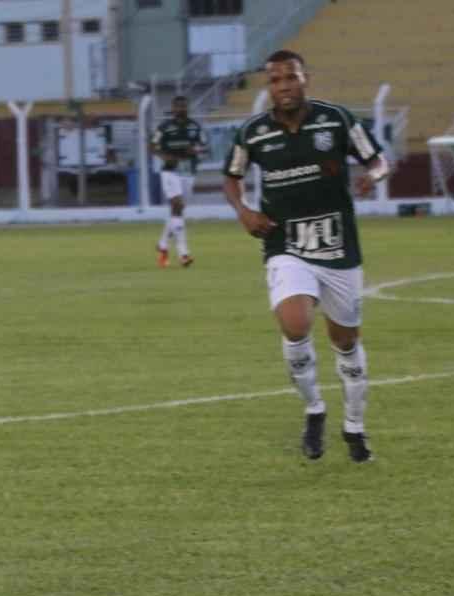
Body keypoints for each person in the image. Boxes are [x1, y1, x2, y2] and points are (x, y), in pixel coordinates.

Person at [223, 49, 388, 462]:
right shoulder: (253, 134)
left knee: (345, 340)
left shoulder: (337, 120)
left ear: (305, 79)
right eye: (276, 80)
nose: (284, 87)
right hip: (285, 243)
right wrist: (244, 211)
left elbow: (379, 159)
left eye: (291, 78)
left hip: (338, 245)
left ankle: (354, 425)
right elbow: (231, 177)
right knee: (295, 324)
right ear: (269, 87)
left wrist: (372, 176)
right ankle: (314, 409)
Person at [152, 95, 206, 268]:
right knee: (177, 204)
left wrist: (196, 150)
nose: (181, 109)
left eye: (184, 106)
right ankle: (184, 253)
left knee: (178, 211)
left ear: (187, 108)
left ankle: (162, 245)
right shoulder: (165, 127)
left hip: (188, 172)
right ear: (173, 109)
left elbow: (203, 146)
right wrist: (164, 156)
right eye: (178, 107)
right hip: (170, 172)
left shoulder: (194, 127)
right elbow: (152, 145)